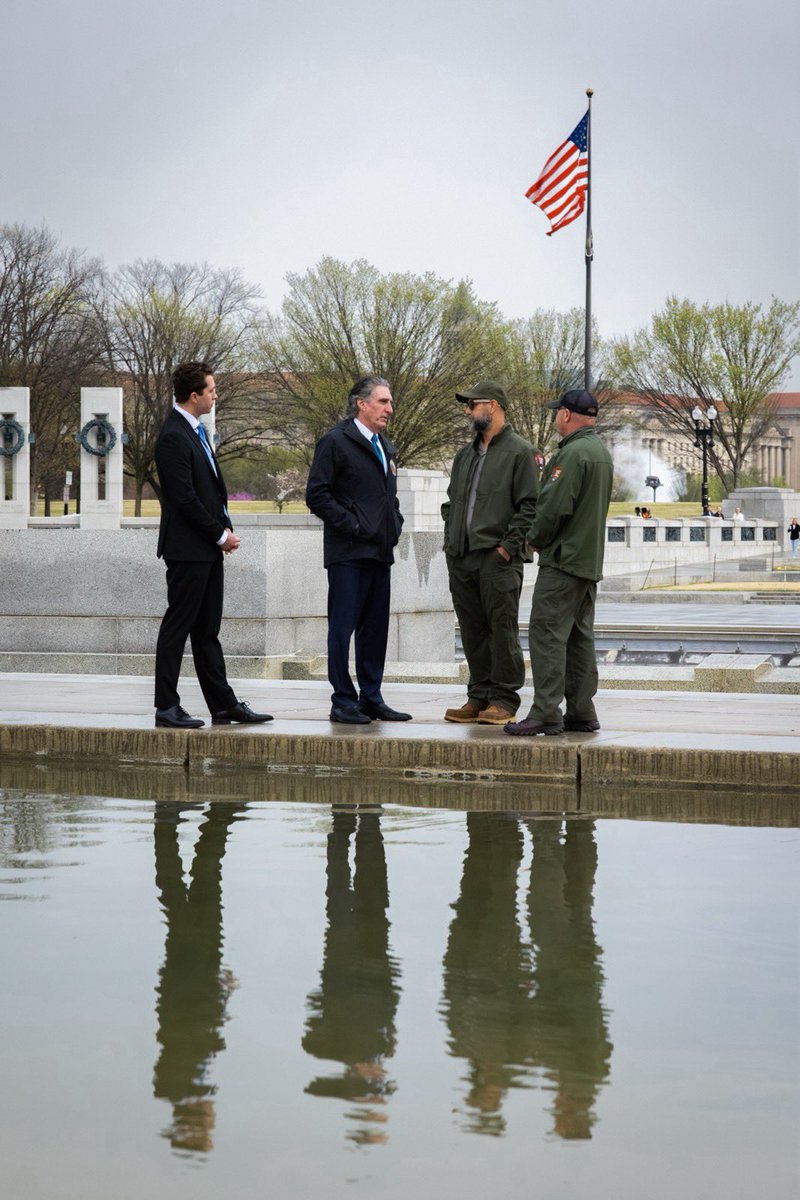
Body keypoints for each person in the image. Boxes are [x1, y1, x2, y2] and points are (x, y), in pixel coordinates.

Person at [153, 362, 272, 729]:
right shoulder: (174, 435)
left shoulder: (196, 431)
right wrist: (220, 535)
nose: (215, 394)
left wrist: (223, 529)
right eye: (211, 389)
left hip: (205, 549)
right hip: (188, 550)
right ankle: (166, 707)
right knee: (178, 626)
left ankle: (223, 705)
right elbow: (184, 498)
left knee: (207, 631)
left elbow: (211, 490)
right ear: (195, 396)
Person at [505, 389, 613, 737]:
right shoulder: (599, 452)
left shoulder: (573, 454)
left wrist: (533, 539)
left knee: (547, 633)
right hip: (586, 562)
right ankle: (582, 711)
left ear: (567, 415)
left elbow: (552, 507)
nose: (554, 418)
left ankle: (545, 712)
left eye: (557, 412)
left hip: (563, 562)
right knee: (579, 638)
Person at [305, 376, 410, 724]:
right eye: (383, 402)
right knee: (342, 626)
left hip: (379, 552)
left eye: (390, 402)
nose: (389, 409)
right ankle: (342, 700)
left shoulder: (387, 447)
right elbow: (316, 494)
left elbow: (387, 497)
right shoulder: (335, 442)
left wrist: (393, 524)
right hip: (348, 553)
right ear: (361, 404)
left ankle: (371, 696)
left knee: (375, 628)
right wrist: (352, 524)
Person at [441, 380, 540, 724]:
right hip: (462, 557)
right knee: (472, 628)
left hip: (497, 559)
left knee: (501, 628)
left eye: (472, 404)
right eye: (466, 406)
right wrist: (451, 545)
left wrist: (506, 549)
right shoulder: (464, 455)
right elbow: (452, 503)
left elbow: (530, 507)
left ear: (493, 405)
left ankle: (504, 699)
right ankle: (479, 695)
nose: (467, 411)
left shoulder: (520, 452)